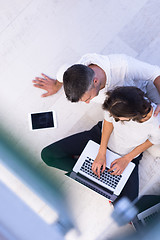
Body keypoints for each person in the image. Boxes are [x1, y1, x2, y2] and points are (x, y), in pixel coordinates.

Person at [91, 86, 160, 202]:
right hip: (101, 137)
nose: (114, 118)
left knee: (128, 205)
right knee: (49, 155)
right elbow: (108, 122)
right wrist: (101, 152)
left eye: (117, 118)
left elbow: (153, 141)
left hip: (129, 156)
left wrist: (126, 159)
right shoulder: (119, 100)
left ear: (132, 116)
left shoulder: (156, 124)